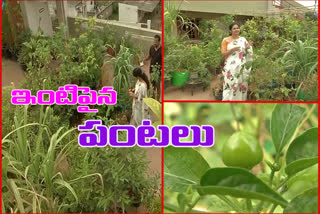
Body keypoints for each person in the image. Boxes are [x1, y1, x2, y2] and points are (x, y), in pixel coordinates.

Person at [221, 22, 254, 101]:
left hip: (241, 66)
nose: (236, 30)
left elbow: (247, 53)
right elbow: (223, 54)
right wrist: (232, 50)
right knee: (230, 83)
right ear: (230, 31)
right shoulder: (226, 40)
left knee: (241, 84)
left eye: (237, 28)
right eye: (234, 28)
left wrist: (247, 48)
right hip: (230, 66)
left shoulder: (243, 39)